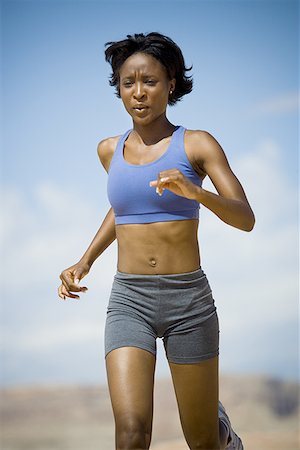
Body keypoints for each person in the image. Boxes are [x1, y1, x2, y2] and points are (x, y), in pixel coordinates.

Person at [58, 32, 255, 450]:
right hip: (129, 299)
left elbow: (245, 217)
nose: (138, 93)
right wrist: (85, 261)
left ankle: (227, 437)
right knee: (131, 433)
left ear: (171, 83)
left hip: (189, 302)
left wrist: (196, 192)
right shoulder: (109, 150)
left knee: (202, 440)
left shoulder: (197, 143)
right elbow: (125, 209)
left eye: (149, 81)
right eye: (128, 83)